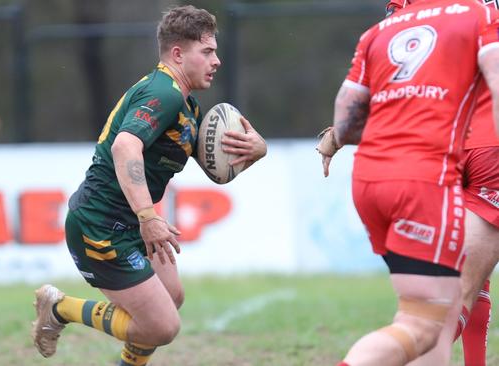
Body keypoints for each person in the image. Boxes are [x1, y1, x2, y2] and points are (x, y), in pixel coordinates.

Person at [30, 5, 267, 366]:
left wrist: (257, 149)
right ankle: (60, 308)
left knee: (171, 296)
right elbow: (127, 145)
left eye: (215, 51)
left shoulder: (187, 104)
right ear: (177, 54)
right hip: (100, 224)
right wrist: (147, 216)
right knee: (162, 327)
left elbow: (213, 167)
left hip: (125, 221)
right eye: (207, 51)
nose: (216, 60)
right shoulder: (164, 93)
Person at [317, 0, 499, 365]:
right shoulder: (481, 12)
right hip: (469, 151)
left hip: (378, 174)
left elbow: (353, 116)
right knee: (435, 316)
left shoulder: (384, 27)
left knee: (432, 306)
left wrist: (335, 139)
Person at [385, 2, 499, 365]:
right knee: (462, 286)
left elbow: (390, 58)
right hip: (487, 141)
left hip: (432, 141)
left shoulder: (406, 5)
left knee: (463, 278)